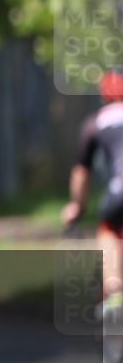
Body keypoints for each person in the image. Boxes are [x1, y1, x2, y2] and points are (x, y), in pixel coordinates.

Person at [61, 69, 123, 318]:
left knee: (108, 228)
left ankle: (114, 289)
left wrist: (77, 205)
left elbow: (81, 173)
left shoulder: (95, 122)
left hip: (119, 193)